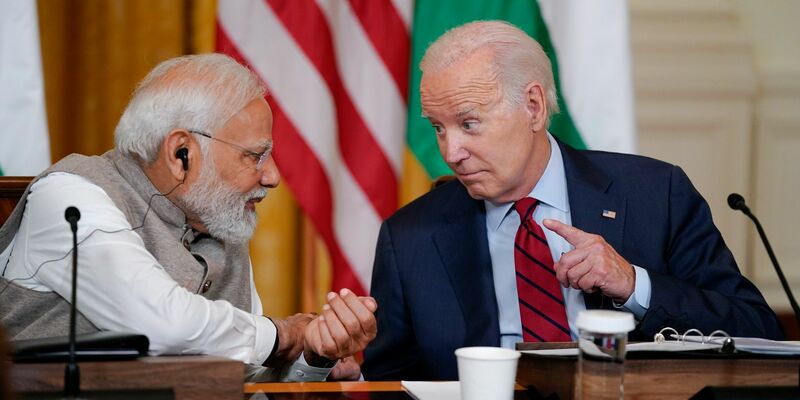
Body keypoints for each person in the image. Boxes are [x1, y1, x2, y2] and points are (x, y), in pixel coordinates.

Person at [362, 20, 783, 381]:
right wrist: (339, 365)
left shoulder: (655, 194)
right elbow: (388, 381)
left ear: (533, 106)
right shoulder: (411, 237)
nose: (451, 152)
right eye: (438, 128)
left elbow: (758, 332)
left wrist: (633, 284)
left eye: (469, 124)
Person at [0, 54, 376, 381]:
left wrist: (314, 358)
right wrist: (286, 334)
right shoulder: (69, 197)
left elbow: (242, 383)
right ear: (182, 153)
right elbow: (163, 325)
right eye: (255, 155)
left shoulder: (218, 221)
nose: (273, 176)